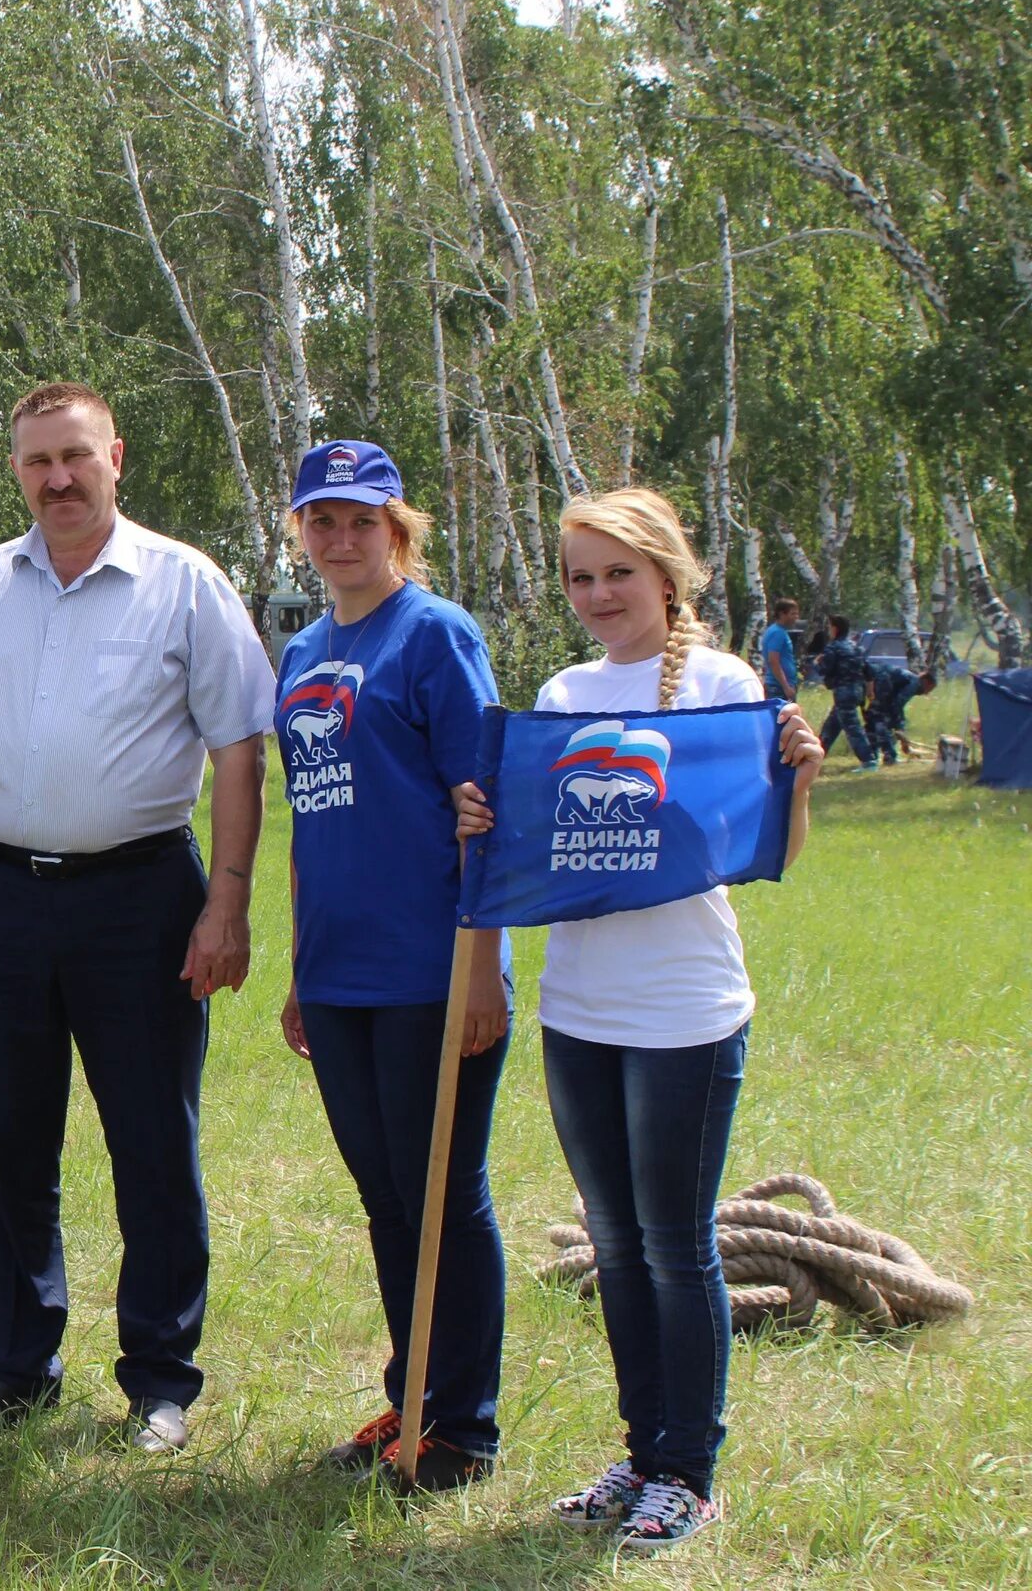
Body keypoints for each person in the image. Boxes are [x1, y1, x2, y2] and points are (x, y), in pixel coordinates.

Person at [0, 381, 273, 1454]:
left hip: (145, 899)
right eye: (35, 462)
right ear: (16, 470)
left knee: (153, 1142)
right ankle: (17, 1368)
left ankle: (159, 1379)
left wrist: (227, 903)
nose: (56, 479)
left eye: (74, 456)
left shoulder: (186, 585)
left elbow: (239, 750)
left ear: (115, 456)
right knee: (10, 1142)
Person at [457, 487, 821, 1555]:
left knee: (674, 1245)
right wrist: (484, 816)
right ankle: (642, 1451)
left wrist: (798, 777)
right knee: (615, 1244)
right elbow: (538, 840)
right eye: (579, 575)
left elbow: (770, 852)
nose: (598, 594)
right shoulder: (562, 690)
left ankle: (690, 1474)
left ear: (668, 575)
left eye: (618, 571)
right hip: (578, 1009)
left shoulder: (722, 686)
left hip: (684, 1012)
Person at [269, 441, 508, 1492]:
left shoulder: (435, 634)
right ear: (301, 534)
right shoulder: (300, 651)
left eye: (362, 519)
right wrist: (296, 969)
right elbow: (306, 823)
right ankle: (408, 1399)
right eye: (321, 519)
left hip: (428, 970)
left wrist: (485, 968)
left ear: (395, 529)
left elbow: (485, 810)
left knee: (441, 1199)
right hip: (338, 974)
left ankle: (463, 1430)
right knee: (385, 1201)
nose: (342, 537)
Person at [811, 616, 878, 768]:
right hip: (857, 691)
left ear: (835, 629)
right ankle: (816, 755)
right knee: (832, 725)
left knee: (852, 728)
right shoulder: (856, 647)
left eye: (829, 627)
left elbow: (823, 670)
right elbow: (869, 671)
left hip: (843, 693)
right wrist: (870, 692)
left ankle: (868, 761)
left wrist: (815, 663)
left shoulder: (833, 648)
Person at [864, 659, 935, 764]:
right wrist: (900, 729)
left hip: (876, 682)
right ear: (926, 682)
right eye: (929, 689)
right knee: (882, 722)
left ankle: (871, 756)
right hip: (883, 685)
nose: (926, 693)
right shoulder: (914, 682)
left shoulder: (908, 678)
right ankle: (890, 756)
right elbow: (898, 703)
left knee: (873, 719)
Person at [758, 599, 800, 700]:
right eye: (793, 614)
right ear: (782, 614)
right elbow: (773, 661)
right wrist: (786, 687)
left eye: (797, 614)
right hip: (778, 688)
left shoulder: (779, 631)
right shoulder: (777, 633)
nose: (796, 617)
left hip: (781, 686)